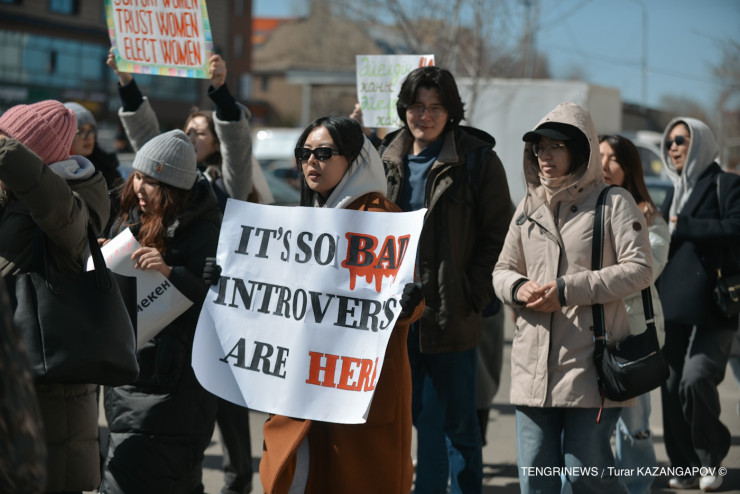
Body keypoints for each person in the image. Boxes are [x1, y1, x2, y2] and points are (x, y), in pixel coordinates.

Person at [107, 50, 257, 494]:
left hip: (185, 372)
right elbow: (150, 147)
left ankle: (238, 478)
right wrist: (127, 83)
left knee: (220, 425)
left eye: (199, 133)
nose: (190, 139)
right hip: (139, 370)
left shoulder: (223, 194)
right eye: (187, 133)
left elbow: (237, 146)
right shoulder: (143, 203)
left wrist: (221, 95)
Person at [361, 65, 512, 494]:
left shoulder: (477, 160)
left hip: (452, 315)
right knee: (417, 420)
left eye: (435, 108)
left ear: (451, 112)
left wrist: (472, 295)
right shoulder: (383, 158)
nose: (424, 116)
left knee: (458, 426)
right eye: (416, 106)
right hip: (395, 318)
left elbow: (499, 235)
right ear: (403, 109)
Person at [257, 116, 424, 493]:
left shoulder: (381, 218)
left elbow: (408, 301)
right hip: (303, 380)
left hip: (358, 389)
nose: (311, 162)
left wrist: (409, 303)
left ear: (354, 160)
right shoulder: (301, 219)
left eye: (323, 153)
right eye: (304, 154)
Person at [492, 102, 653, 494]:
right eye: (539, 148)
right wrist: (517, 288)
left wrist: (566, 291)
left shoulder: (614, 201)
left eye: (556, 147)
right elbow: (501, 270)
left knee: (585, 476)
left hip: (591, 366)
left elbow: (640, 269)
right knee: (536, 477)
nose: (545, 156)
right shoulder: (527, 206)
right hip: (532, 368)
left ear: (580, 150)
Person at [98, 130, 222, 493]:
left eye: (151, 181)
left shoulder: (205, 231)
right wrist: (106, 254)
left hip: (174, 391)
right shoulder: (131, 218)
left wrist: (171, 273)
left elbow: (218, 307)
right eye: (138, 176)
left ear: (174, 189)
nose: (139, 187)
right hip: (130, 380)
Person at [0, 100, 111, 493]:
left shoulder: (73, 205)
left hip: (50, 407)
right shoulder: (10, 201)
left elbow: (51, 201)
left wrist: (5, 148)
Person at [655, 117, 740, 491]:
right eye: (669, 142)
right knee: (671, 386)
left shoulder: (726, 184)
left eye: (681, 140)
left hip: (716, 306)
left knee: (696, 378)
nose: (673, 147)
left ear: (700, 142)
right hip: (673, 304)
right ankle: (686, 465)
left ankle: (710, 458)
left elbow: (736, 227)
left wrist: (685, 225)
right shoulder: (674, 190)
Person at [600, 134, 670, 494]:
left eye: (613, 158)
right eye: (599, 156)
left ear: (629, 167)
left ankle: (637, 487)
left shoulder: (649, 216)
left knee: (635, 424)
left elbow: (645, 272)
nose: (604, 164)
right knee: (589, 428)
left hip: (633, 335)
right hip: (589, 333)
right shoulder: (583, 209)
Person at [63, 101, 123, 189]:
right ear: (64, 136)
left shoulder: (108, 170)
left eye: (91, 130)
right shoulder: (54, 174)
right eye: (80, 130)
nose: (88, 137)